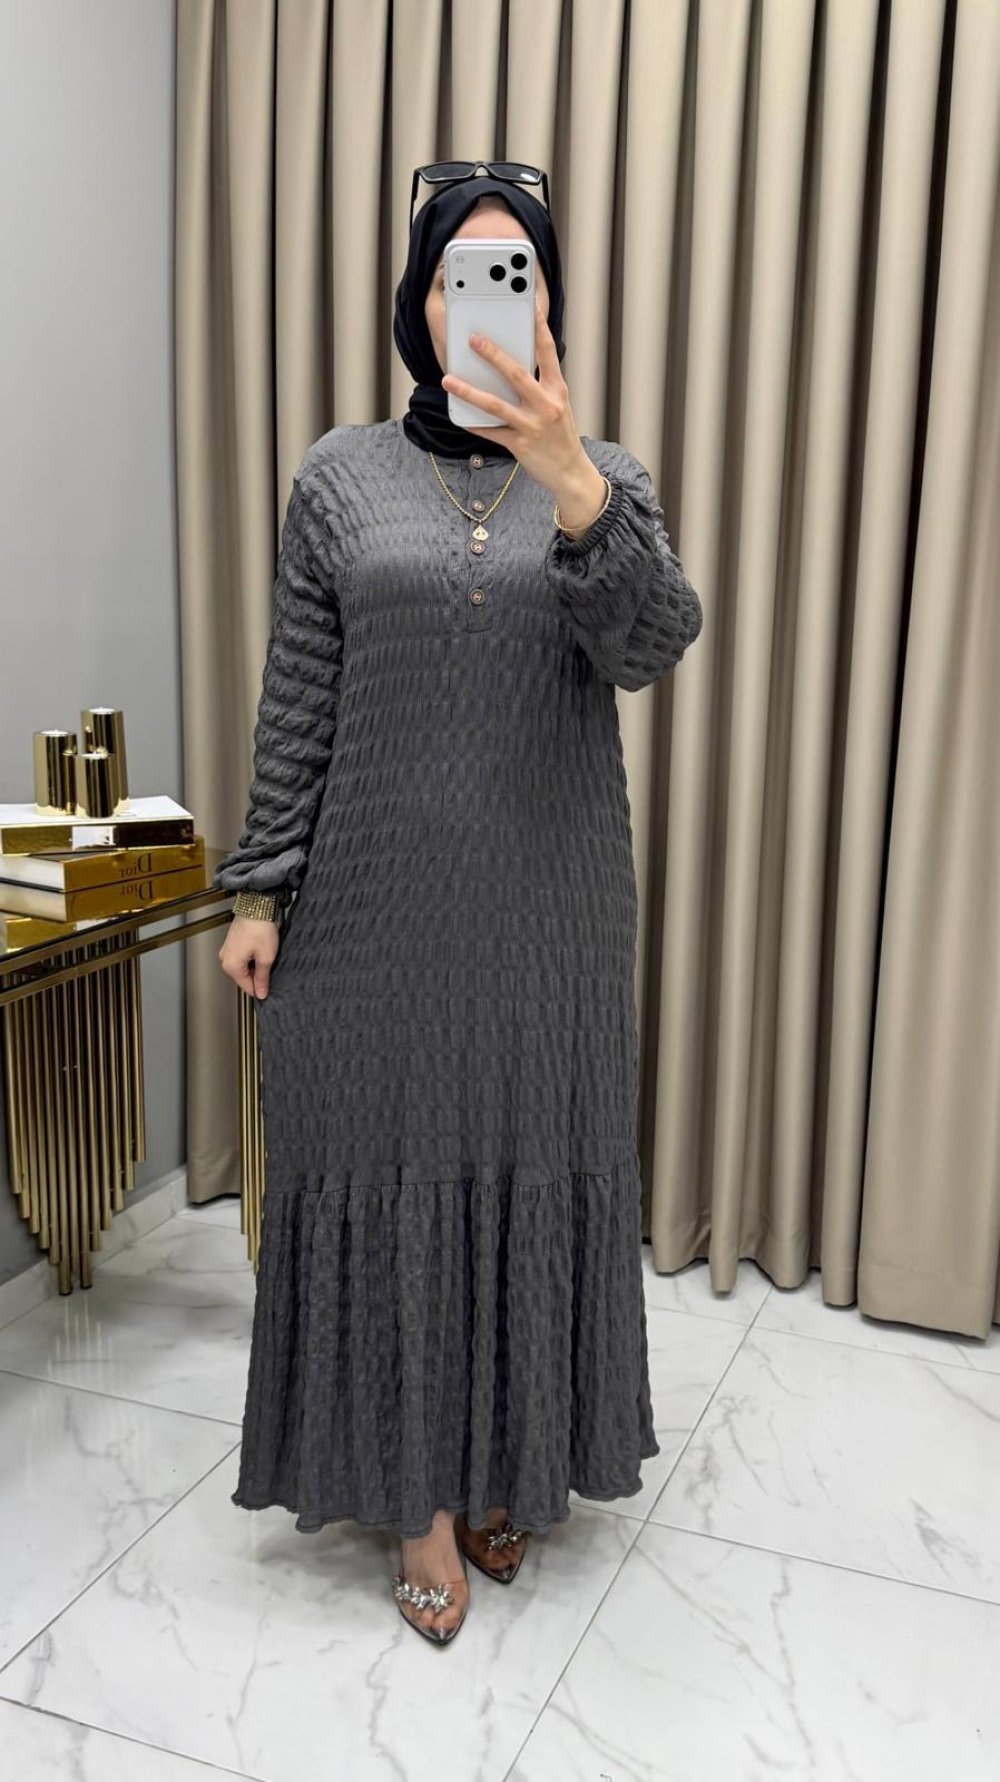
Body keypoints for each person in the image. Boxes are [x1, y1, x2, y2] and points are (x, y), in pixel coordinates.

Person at [214, 166, 704, 1647]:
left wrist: (573, 481)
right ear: (419, 304)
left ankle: (507, 1460)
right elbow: (301, 694)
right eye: (458, 276)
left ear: (546, 305)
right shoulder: (339, 477)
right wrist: (261, 885)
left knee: (521, 1168)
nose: (484, 299)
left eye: (515, 274)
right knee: (389, 1173)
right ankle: (417, 1498)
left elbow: (651, 644)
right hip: (369, 916)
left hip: (550, 917)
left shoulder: (605, 473)